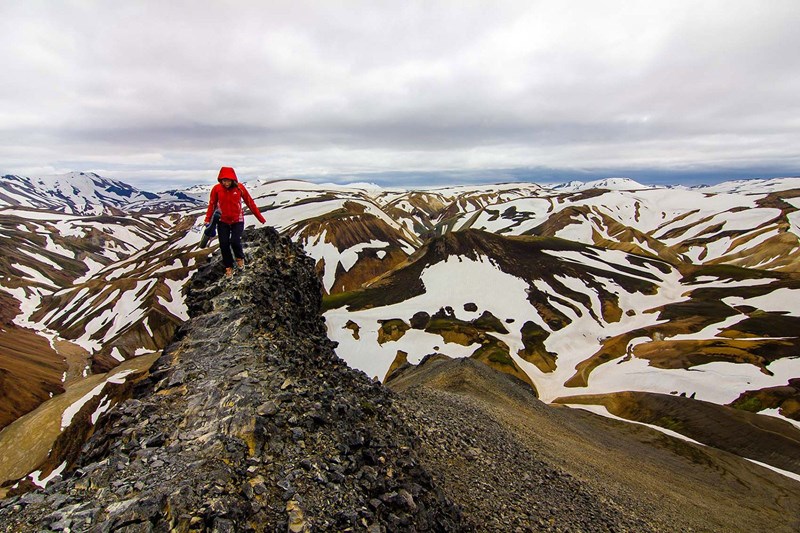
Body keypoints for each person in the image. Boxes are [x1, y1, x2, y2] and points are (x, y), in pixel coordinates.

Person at [204, 166, 266, 278]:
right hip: (222, 221)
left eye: (228, 180)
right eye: (223, 180)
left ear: (233, 179)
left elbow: (250, 202)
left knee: (235, 240)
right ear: (220, 180)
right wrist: (207, 219)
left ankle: (240, 259)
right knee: (223, 244)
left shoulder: (240, 188)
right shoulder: (216, 189)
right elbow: (212, 205)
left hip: (238, 220)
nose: (226, 183)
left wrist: (260, 218)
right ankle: (228, 267)